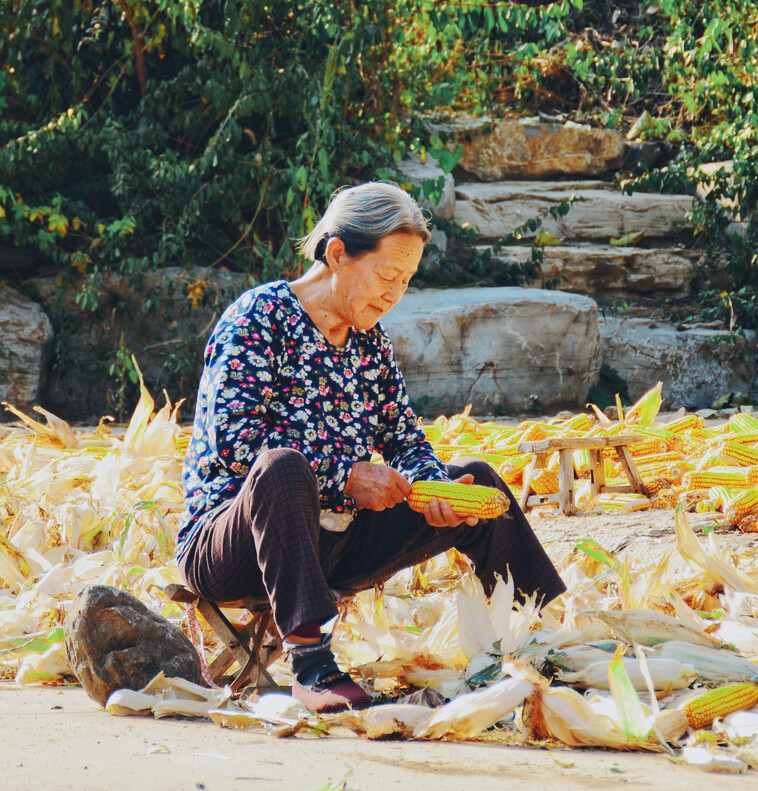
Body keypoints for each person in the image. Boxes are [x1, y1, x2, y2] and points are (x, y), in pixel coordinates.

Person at [175, 182, 566, 713]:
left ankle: (547, 640)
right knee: (283, 467)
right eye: (385, 276)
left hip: (334, 542)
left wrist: (434, 487)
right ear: (337, 254)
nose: (393, 294)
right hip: (232, 543)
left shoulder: (369, 342)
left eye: (405, 282)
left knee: (477, 475)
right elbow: (235, 439)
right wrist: (344, 477)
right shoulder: (259, 317)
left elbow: (403, 437)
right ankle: (312, 667)